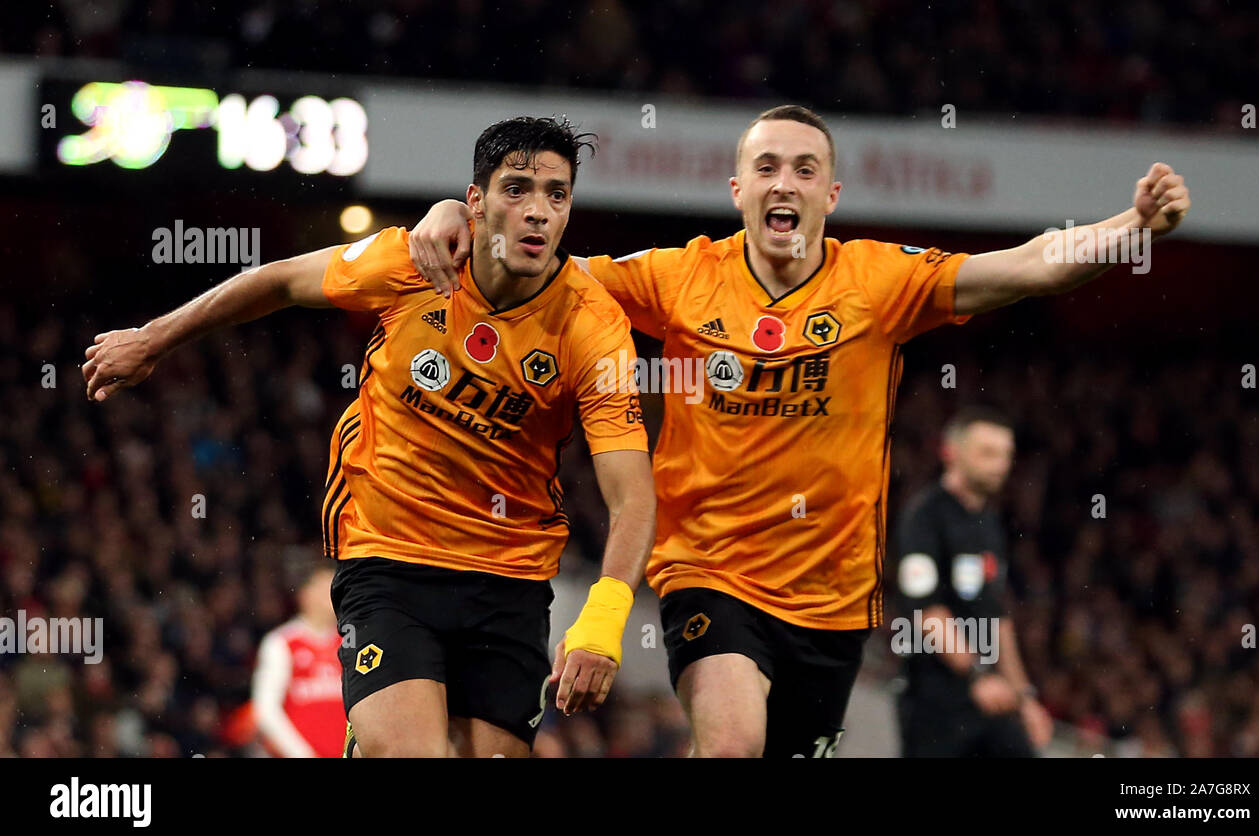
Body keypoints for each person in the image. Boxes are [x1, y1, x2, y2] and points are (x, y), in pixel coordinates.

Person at [409, 104, 1191, 757]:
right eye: (769, 167)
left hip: (832, 599)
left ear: (832, 194)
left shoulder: (881, 282)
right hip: (707, 570)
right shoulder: (679, 276)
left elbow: (1030, 264)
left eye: (805, 169)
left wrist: (1132, 227)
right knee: (730, 743)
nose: (786, 181)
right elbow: (536, 261)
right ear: (739, 188)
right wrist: (454, 209)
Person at [82, 116, 657, 758]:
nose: (537, 212)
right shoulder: (412, 262)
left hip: (509, 578)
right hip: (389, 556)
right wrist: (151, 340)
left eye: (556, 194)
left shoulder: (593, 325)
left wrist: (605, 618)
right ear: (476, 201)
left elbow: (631, 496)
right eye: (516, 188)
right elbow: (274, 281)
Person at [892, 407, 1052, 757]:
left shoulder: (989, 523)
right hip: (935, 702)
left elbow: (997, 617)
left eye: (1006, 454)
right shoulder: (925, 517)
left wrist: (1024, 697)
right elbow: (927, 613)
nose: (1001, 464)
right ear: (950, 452)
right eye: (987, 453)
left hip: (989, 699)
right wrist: (978, 674)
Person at [251, 559, 346, 758]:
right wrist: (302, 754)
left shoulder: (350, 643)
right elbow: (266, 710)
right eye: (324, 588)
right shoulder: (281, 643)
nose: (333, 595)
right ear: (305, 594)